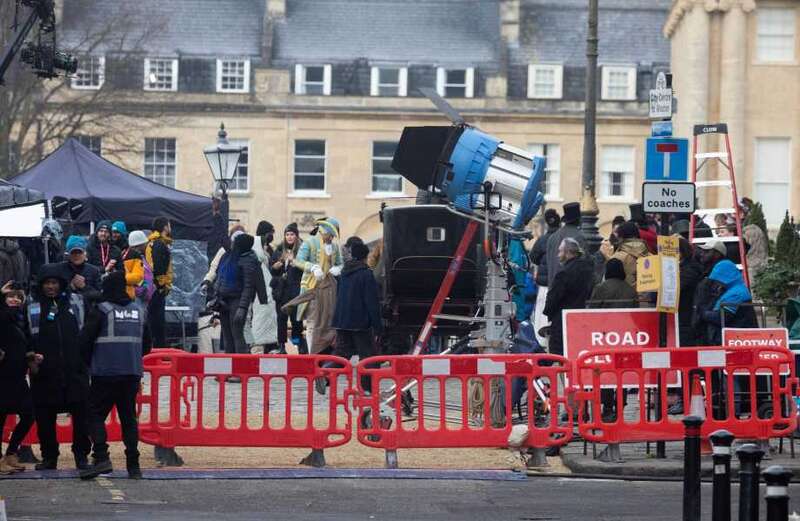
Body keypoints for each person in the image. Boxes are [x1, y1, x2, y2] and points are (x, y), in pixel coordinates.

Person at [79, 271, 150, 480]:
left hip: (105, 372)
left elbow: (84, 342)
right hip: (131, 372)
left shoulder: (101, 310)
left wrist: (89, 363)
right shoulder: (139, 310)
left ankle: (101, 457)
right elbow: (147, 344)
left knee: (93, 414)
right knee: (129, 418)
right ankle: (133, 465)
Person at [28, 264, 91, 471]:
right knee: (45, 419)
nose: (50, 287)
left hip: (74, 371)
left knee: (81, 418)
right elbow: (27, 336)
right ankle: (49, 457)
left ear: (61, 284)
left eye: (54, 283)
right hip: (45, 373)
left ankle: (81, 456)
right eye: (47, 283)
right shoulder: (32, 307)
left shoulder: (76, 302)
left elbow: (86, 332)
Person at [320, 237, 382, 396]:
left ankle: (324, 374)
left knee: (342, 353)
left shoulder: (344, 272)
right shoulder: (366, 274)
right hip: (360, 323)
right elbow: (371, 302)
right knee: (368, 357)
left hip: (342, 321)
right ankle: (367, 389)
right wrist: (378, 326)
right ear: (364, 257)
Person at [0, 282, 39, 474]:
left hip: (17, 375)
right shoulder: (3, 316)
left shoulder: (20, 320)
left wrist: (31, 356)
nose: (14, 299)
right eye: (11, 296)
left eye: (18, 297)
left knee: (29, 413)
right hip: (3, 375)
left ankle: (11, 453)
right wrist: (0, 296)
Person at [214, 233, 267, 355]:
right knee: (227, 335)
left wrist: (242, 308)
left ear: (240, 245)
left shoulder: (248, 260)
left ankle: (241, 365)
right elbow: (220, 277)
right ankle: (230, 366)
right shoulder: (231, 256)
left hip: (237, 301)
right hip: (224, 301)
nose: (232, 244)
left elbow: (248, 287)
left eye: (235, 242)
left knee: (237, 333)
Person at [294, 217, 343, 349]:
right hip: (312, 289)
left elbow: (340, 262)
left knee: (328, 322)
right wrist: (313, 267)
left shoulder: (334, 247)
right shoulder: (309, 243)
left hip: (329, 290)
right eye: (330, 235)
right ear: (323, 231)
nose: (332, 238)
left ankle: (324, 352)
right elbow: (298, 261)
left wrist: (338, 268)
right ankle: (312, 352)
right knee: (313, 322)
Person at [543, 238, 595, 356]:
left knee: (559, 353)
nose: (558, 255)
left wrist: (548, 311)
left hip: (562, 318)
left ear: (568, 253)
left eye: (560, 251)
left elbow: (554, 297)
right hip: (581, 316)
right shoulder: (588, 270)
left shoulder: (564, 273)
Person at [270, 223, 307, 354]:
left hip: (296, 290)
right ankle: (282, 346)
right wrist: (276, 266)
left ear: (296, 236)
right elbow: (272, 271)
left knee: (296, 320)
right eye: (287, 234)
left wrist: (295, 261)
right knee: (281, 319)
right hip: (281, 291)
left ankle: (298, 344)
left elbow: (306, 269)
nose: (289, 237)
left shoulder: (302, 250)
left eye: (292, 234)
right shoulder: (279, 250)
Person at [530, 209, 560, 347]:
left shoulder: (542, 240)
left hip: (544, 283)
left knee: (542, 312)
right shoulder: (563, 239)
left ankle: (541, 341)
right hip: (559, 282)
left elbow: (533, 257)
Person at [248, 221, 279, 353]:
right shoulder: (255, 247)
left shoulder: (269, 248)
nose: (272, 235)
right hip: (259, 290)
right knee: (260, 317)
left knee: (268, 317)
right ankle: (258, 343)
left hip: (268, 289)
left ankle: (268, 343)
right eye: (271, 233)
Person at [145, 217, 173, 348]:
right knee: (157, 323)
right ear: (165, 227)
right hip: (157, 289)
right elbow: (159, 267)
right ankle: (158, 350)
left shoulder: (153, 242)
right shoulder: (159, 244)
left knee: (154, 321)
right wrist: (162, 285)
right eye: (169, 225)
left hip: (154, 287)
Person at [545, 203, 586, 287]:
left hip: (553, 289)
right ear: (578, 219)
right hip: (570, 291)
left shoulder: (552, 238)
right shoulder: (580, 237)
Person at [677, 237, 704, 347]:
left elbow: (678, 287)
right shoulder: (684, 267)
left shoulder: (690, 269)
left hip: (686, 314)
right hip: (682, 314)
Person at [606, 221, 650, 289]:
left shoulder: (617, 258)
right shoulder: (651, 256)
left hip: (625, 297)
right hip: (647, 297)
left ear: (620, 237)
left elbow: (610, 284)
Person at [60, 236, 102, 303]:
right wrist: (70, 287)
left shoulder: (94, 271)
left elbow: (100, 296)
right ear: (68, 254)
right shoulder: (61, 269)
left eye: (79, 252)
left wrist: (84, 287)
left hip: (89, 309)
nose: (77, 255)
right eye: (73, 252)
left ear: (85, 253)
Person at [122, 230, 154, 303]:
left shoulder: (126, 257)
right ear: (139, 246)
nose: (146, 246)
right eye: (144, 244)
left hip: (140, 297)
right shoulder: (135, 259)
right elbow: (140, 279)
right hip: (138, 299)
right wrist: (144, 290)